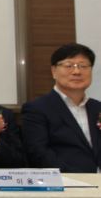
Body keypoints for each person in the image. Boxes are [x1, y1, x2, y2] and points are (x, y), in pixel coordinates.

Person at [21, 43, 101, 173]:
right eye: (69, 66)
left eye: (83, 66)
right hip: (67, 181)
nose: (77, 72)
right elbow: (38, 154)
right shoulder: (36, 109)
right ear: (54, 71)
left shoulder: (97, 108)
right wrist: (79, 179)